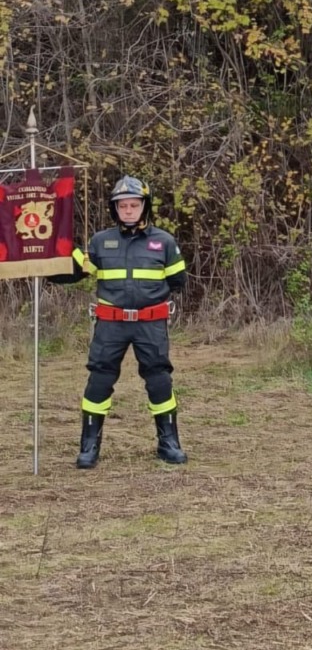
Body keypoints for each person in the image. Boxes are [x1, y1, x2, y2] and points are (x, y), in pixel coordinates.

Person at [49, 175, 188, 468]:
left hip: (151, 323)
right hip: (110, 325)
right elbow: (71, 273)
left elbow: (178, 280)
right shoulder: (100, 241)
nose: (128, 210)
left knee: (159, 378)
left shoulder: (164, 242)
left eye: (133, 205)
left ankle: (169, 442)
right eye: (122, 205)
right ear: (115, 209)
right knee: (99, 379)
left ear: (144, 207)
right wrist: (45, 259)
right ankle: (89, 447)